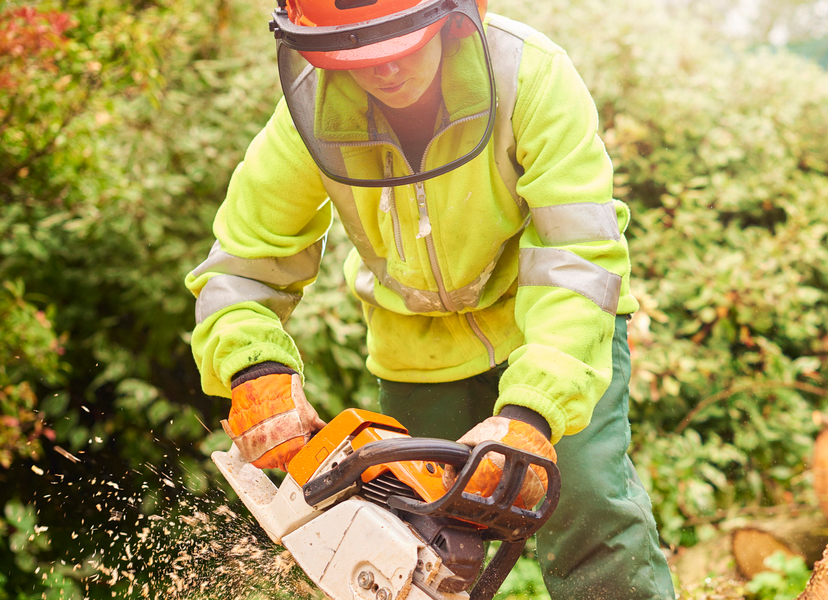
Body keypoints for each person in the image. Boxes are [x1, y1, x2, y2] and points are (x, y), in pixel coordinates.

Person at [184, 0, 676, 597]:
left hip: (551, 332)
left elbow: (579, 257)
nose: (384, 69)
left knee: (588, 505)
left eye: (402, 45)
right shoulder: (310, 111)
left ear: (453, 15)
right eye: (356, 51)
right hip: (417, 351)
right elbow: (242, 264)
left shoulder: (529, 75)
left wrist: (531, 413)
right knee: (414, 549)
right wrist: (253, 367)